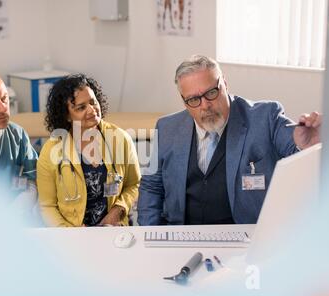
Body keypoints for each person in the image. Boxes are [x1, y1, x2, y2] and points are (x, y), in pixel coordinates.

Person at [138, 54, 322, 225]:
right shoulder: (167, 128)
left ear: (225, 84)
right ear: (183, 100)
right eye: (194, 99)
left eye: (211, 93)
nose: (205, 106)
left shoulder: (265, 118)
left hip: (244, 237)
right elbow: (152, 187)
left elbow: (298, 159)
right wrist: (152, 235)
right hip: (182, 233)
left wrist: (309, 147)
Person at [37, 74, 141, 227]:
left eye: (93, 102)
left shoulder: (120, 138)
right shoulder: (51, 151)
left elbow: (134, 185)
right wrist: (70, 233)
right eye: (81, 107)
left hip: (113, 229)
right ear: (66, 115)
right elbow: (47, 206)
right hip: (71, 235)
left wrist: (118, 210)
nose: (92, 110)